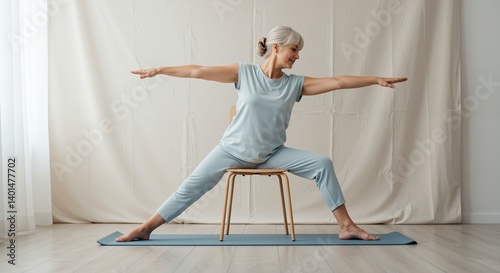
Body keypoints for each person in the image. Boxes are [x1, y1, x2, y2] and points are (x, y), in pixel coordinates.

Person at [117, 26, 407, 242]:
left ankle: (346, 226)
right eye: (295, 49)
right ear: (277, 47)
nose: (298, 56)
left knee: (322, 163)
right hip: (231, 150)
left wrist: (374, 79)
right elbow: (197, 71)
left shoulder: (295, 85)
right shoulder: (243, 73)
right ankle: (145, 229)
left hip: (272, 154)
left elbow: (338, 81)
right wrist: (160, 70)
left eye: (299, 51)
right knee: (191, 187)